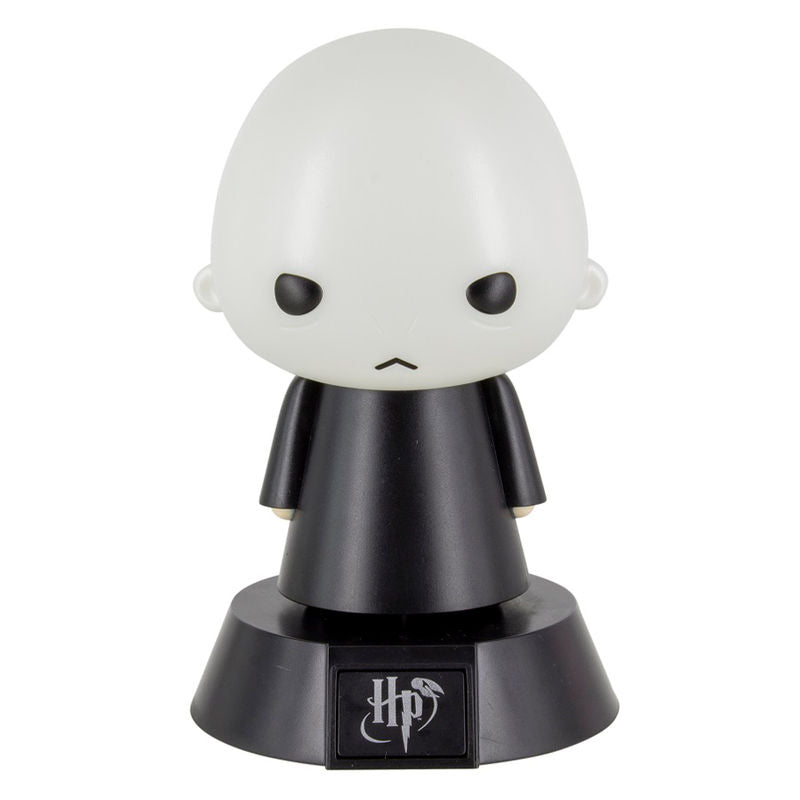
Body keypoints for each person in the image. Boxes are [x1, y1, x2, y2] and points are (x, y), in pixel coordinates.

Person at [192, 29, 607, 614]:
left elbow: (504, 428)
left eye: (489, 295)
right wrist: (286, 491)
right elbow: (299, 430)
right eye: (300, 297)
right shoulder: (322, 386)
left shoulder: (477, 383)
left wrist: (518, 489)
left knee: (478, 580)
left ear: (583, 283)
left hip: (481, 571)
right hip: (325, 573)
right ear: (216, 286)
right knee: (330, 581)